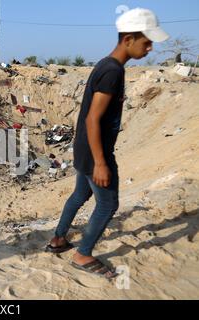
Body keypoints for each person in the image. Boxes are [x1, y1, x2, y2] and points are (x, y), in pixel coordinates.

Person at [46, 8, 169, 279]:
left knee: (81, 195)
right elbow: (93, 120)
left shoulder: (106, 65)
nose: (149, 48)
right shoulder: (112, 71)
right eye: (146, 41)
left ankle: (58, 239)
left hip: (84, 148)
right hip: (95, 151)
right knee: (107, 204)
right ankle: (83, 253)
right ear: (128, 39)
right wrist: (101, 163)